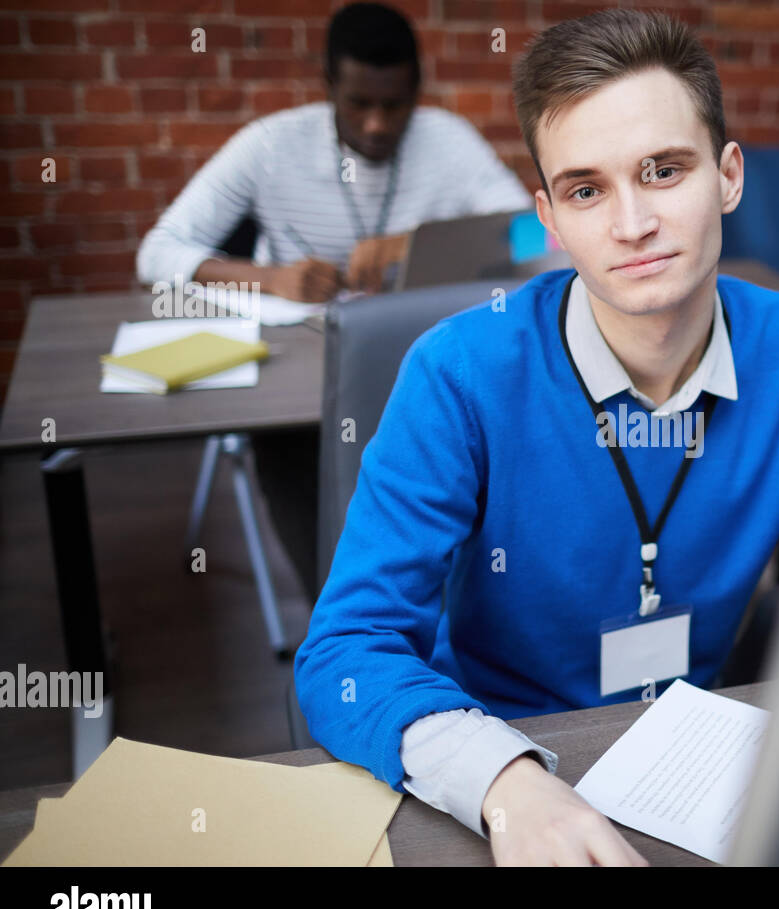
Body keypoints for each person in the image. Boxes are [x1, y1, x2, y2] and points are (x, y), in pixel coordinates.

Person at [295, 8, 779, 866]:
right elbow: (345, 655)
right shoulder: (459, 371)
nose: (631, 225)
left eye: (663, 171)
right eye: (587, 189)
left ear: (729, 176)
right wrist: (502, 781)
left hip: (698, 759)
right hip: (502, 746)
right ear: (550, 217)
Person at [135, 2, 532, 602]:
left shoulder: (446, 142)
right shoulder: (270, 146)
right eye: (358, 104)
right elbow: (156, 253)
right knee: (300, 461)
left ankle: (446, 607)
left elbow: (533, 234)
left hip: (410, 366)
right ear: (328, 90)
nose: (376, 124)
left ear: (417, 94)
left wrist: (413, 244)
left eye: (394, 106)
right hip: (296, 381)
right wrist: (268, 278)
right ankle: (337, 608)